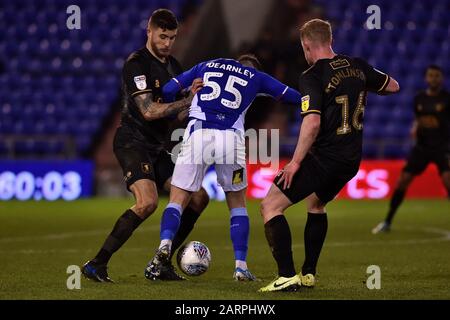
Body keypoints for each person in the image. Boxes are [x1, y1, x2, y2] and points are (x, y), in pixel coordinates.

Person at [258, 19, 400, 292]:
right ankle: (309, 272)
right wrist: (359, 82)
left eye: (304, 49)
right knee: (316, 204)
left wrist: (295, 163)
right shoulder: (357, 66)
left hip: (326, 157)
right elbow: (392, 85)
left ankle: (286, 276)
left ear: (307, 45)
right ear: (330, 40)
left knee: (270, 206)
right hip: (350, 161)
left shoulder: (312, 76)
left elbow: (312, 124)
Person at [143, 54, 303, 281]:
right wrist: (316, 100)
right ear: (253, 68)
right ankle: (240, 267)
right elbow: (292, 97)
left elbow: (167, 90)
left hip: (199, 132)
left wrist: (189, 94)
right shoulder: (257, 77)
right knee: (237, 204)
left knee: (178, 199)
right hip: (231, 138)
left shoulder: (204, 65)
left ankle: (164, 247)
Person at [82, 9, 209, 282]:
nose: (167, 43)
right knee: (148, 202)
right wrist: (186, 101)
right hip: (132, 141)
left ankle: (160, 263)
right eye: (162, 36)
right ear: (149, 32)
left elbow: (177, 114)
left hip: (157, 147)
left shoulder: (174, 66)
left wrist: (198, 100)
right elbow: (149, 110)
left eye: (172, 37)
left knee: (199, 197)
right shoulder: (136, 64)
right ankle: (97, 263)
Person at [372, 65, 450, 234]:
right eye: (431, 75)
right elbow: (418, 119)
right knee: (402, 181)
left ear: (441, 78)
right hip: (421, 147)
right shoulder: (419, 99)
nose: (434, 79)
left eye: (437, 76)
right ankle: (387, 221)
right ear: (426, 78)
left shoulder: (447, 99)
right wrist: (415, 128)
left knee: (448, 181)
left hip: (442, 147)